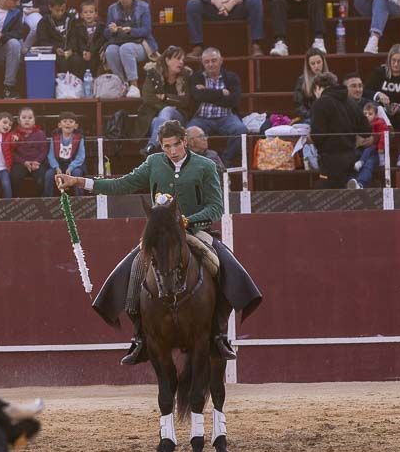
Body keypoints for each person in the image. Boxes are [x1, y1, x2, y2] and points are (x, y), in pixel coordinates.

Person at [54, 119, 262, 364]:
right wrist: (80, 182)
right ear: (161, 146)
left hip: (195, 231)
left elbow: (216, 207)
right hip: (160, 235)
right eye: (166, 146)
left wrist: (187, 220)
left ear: (185, 141)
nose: (172, 151)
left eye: (176, 145)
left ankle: (218, 333)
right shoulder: (153, 163)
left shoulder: (205, 166)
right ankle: (140, 336)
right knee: (132, 269)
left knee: (222, 264)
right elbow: (122, 184)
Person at [187, 48, 245, 166]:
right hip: (202, 118)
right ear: (202, 63)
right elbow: (198, 96)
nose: (210, 64)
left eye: (214, 61)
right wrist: (221, 93)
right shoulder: (197, 77)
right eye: (207, 62)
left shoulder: (231, 77)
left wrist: (206, 93)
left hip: (226, 117)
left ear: (221, 61)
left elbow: (233, 101)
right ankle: (197, 163)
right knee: (188, 133)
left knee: (240, 130)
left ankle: (225, 160)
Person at [309, 71, 368, 189]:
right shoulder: (350, 102)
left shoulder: (320, 103)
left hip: (330, 159)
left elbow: (318, 135)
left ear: (318, 88)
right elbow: (366, 129)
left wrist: (307, 139)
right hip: (351, 157)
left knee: (327, 195)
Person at [106, 0, 156, 97]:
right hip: (118, 42)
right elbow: (106, 34)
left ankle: (134, 86)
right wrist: (111, 30)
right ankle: (122, 84)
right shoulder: (112, 9)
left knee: (126, 48)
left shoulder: (143, 7)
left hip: (141, 44)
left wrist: (131, 31)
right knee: (110, 51)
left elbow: (147, 30)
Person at [139, 45, 192, 149]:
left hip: (179, 118)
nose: (181, 62)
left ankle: (152, 145)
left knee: (167, 111)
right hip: (154, 115)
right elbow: (148, 97)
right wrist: (174, 101)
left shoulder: (185, 77)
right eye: (177, 59)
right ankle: (155, 149)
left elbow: (185, 101)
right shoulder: (153, 74)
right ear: (167, 60)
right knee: (157, 121)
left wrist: (165, 98)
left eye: (182, 59)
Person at [35, 0, 81, 75]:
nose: (60, 13)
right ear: (50, 7)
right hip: (54, 53)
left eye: (62, 10)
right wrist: (55, 49)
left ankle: (76, 86)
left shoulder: (71, 19)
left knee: (77, 61)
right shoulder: (44, 22)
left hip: (70, 52)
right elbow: (42, 41)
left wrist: (71, 49)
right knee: (61, 62)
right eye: (57, 10)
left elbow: (75, 37)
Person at [44, 112, 86, 196]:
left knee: (77, 174)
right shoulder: (55, 137)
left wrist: (71, 167)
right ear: (59, 125)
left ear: (75, 126)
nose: (68, 123)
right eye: (65, 121)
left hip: (74, 165)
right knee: (49, 174)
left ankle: (80, 198)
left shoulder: (79, 137)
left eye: (71, 122)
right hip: (58, 165)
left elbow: (80, 156)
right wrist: (56, 167)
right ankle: (48, 197)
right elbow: (51, 155)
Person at [351, 99, 389, 189]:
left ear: (376, 115)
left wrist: (380, 148)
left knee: (369, 163)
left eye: (370, 114)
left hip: (377, 152)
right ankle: (351, 182)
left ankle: (360, 184)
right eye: (365, 114)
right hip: (361, 151)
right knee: (351, 160)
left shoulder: (380, 123)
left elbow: (385, 136)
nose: (367, 116)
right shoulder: (359, 124)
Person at [10, 107, 48, 196]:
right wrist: (24, 162)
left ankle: (40, 200)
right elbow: (12, 152)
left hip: (37, 163)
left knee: (42, 178)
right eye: (24, 118)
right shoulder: (14, 134)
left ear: (34, 120)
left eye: (30, 118)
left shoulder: (40, 133)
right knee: (14, 176)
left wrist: (37, 161)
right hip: (21, 163)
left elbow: (44, 151)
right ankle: (16, 199)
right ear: (19, 120)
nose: (27, 120)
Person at [69, 0, 106, 76]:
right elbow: (78, 42)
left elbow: (100, 41)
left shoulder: (102, 27)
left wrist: (91, 52)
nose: (88, 14)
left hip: (96, 53)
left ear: (96, 14)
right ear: (81, 15)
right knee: (76, 60)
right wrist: (84, 51)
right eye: (85, 12)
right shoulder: (78, 28)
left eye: (91, 12)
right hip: (83, 53)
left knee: (96, 60)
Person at [292, 47, 329, 121]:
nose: (316, 66)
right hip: (309, 117)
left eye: (319, 62)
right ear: (308, 65)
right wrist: (311, 115)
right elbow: (298, 106)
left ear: (323, 62)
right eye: (313, 64)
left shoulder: (330, 79)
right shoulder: (302, 81)